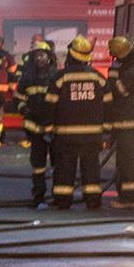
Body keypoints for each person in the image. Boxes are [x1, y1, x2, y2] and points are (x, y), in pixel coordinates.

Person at [47, 35, 108, 211]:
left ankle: (63, 201)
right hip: (92, 135)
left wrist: (48, 128)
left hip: (66, 136)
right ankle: (93, 202)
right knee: (91, 169)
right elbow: (109, 102)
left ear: (70, 54)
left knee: (65, 169)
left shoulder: (60, 78)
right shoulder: (98, 77)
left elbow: (49, 105)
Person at [104, 34, 134, 206]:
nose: (114, 59)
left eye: (115, 56)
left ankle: (130, 198)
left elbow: (120, 91)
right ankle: (131, 195)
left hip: (131, 123)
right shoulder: (132, 65)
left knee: (128, 162)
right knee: (126, 161)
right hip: (128, 122)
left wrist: (111, 77)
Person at [15, 35, 59, 205]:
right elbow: (17, 99)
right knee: (38, 165)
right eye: (36, 55)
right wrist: (24, 109)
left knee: (58, 165)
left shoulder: (56, 75)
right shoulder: (27, 77)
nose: (39, 58)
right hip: (35, 128)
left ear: (49, 57)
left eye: (42, 55)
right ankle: (38, 195)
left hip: (54, 129)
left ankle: (58, 196)